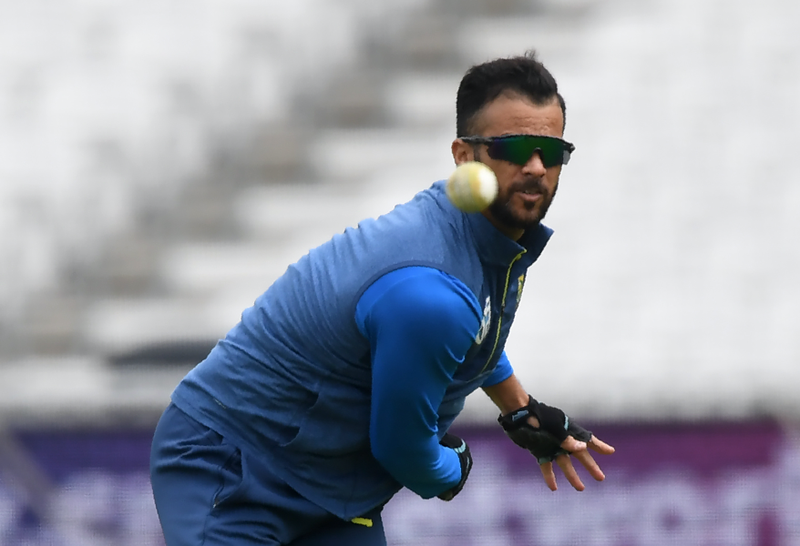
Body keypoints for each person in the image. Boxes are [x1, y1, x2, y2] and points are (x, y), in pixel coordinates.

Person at [150, 51, 615, 546]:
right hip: (236, 460)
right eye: (515, 147)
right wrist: (453, 469)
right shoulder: (432, 290)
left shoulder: (477, 234)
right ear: (464, 156)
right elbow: (404, 451)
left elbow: (473, 328)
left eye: (551, 150)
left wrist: (520, 409)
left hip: (333, 484)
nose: (537, 167)